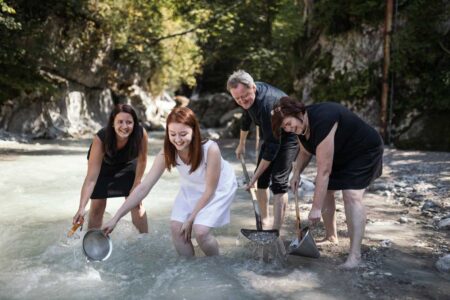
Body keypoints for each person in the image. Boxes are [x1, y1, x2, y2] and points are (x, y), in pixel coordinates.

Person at [102, 107, 237, 257]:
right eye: (172, 134)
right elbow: (144, 187)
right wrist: (116, 218)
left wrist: (191, 219)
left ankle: (217, 265)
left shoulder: (211, 149)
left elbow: (210, 191)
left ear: (194, 130)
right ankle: (190, 270)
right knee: (176, 228)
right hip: (191, 186)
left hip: (218, 187)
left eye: (183, 134)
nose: (177, 140)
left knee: (201, 231)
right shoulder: (167, 152)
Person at [271, 97, 384, 269]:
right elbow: (304, 152)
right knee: (324, 190)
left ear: (297, 113)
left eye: (288, 123)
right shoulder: (301, 127)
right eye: (284, 127)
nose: (288, 129)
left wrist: (315, 208)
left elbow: (324, 171)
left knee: (351, 195)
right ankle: (331, 236)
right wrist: (296, 174)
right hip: (341, 152)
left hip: (364, 150)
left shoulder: (323, 119)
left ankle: (355, 256)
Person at [226, 70, 299, 230]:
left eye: (244, 96)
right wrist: (241, 143)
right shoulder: (246, 97)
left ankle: (276, 230)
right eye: (237, 98)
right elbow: (246, 116)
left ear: (253, 87)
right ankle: (264, 222)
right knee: (262, 182)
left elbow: (273, 146)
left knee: (279, 183)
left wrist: (253, 177)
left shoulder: (268, 104)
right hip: (271, 133)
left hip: (290, 135)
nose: (242, 101)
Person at [73, 104, 149, 233]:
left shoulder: (141, 134)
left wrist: (136, 184)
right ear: (113, 123)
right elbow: (91, 179)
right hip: (104, 166)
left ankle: (144, 241)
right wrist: (81, 208)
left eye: (129, 122)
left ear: (134, 124)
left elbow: (142, 160)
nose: (124, 126)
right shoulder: (101, 138)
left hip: (128, 163)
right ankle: (93, 242)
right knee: (97, 205)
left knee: (136, 203)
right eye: (120, 122)